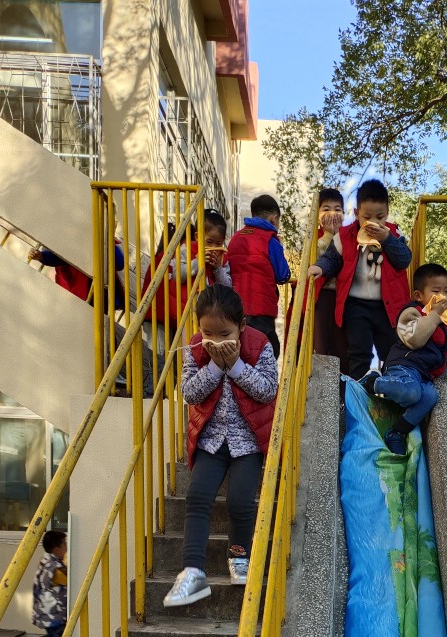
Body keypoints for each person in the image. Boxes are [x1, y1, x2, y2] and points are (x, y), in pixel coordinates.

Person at [163, 284, 278, 602]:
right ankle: (192, 572)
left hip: (248, 441)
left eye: (224, 334)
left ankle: (239, 559)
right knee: (197, 497)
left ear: (242, 326)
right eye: (208, 333)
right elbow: (189, 392)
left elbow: (268, 390)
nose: (215, 341)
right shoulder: (195, 347)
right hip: (211, 440)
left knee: (240, 502)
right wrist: (215, 366)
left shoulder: (260, 344)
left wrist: (237, 365)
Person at [307, 178, 411, 382]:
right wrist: (320, 267)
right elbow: (332, 259)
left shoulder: (394, 234)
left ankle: (393, 387)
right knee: (359, 350)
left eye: (380, 217)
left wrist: (386, 239)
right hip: (356, 305)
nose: (373, 222)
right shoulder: (345, 236)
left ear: (387, 213)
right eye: (367, 217)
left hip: (387, 306)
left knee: (391, 349)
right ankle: (358, 388)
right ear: (356, 214)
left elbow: (404, 260)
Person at [359, 262, 447, 454]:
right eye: (436, 291)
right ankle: (374, 382)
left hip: (423, 375)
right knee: (412, 393)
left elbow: (440, 354)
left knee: (431, 396)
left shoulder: (444, 323)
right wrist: (434, 315)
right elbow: (415, 339)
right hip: (403, 366)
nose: (443, 297)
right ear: (418, 295)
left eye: (446, 291)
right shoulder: (412, 312)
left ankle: (396, 432)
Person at [226, 194, 291, 358]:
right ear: (274, 218)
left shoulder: (235, 238)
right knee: (267, 351)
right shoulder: (270, 240)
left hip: (235, 307)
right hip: (262, 308)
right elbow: (283, 275)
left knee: (241, 354)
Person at [10, 530, 68, 637]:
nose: (66, 548)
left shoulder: (46, 560)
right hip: (53, 613)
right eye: (64, 544)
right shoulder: (56, 569)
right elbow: (71, 580)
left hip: (45, 609)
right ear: (56, 550)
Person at [312, 188, 349, 374]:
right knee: (322, 344)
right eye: (326, 209)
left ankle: (344, 386)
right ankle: (323, 383)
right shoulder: (315, 240)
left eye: (337, 209)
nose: (332, 214)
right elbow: (320, 259)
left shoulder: (349, 238)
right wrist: (329, 235)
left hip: (345, 298)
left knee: (342, 345)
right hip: (323, 296)